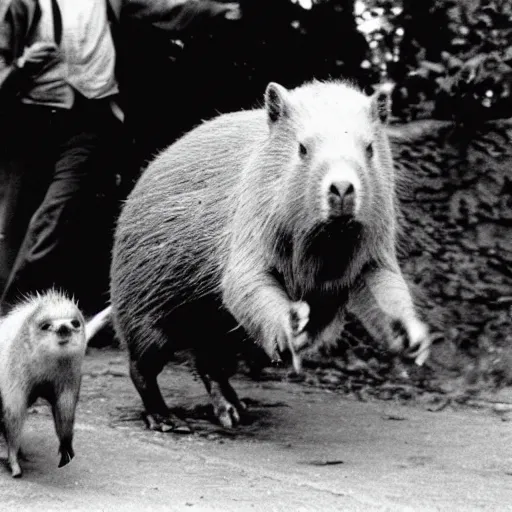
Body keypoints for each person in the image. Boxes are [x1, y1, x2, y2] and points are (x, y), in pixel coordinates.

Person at [0, 0, 240, 315]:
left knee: (56, 213)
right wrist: (21, 66)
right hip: (31, 119)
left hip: (88, 119)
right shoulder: (23, 4)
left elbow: (165, 9)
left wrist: (221, 9)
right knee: (13, 223)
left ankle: (12, 311)